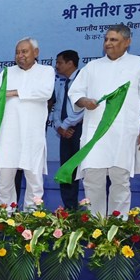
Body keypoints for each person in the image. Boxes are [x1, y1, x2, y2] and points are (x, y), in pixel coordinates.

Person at [68, 24, 140, 218]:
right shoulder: (93, 66)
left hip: (124, 132)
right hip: (95, 132)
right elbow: (75, 92)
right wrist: (85, 101)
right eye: (106, 39)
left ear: (127, 42)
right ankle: (96, 225)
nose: (108, 43)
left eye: (113, 40)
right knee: (92, 178)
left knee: (120, 180)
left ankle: (119, 225)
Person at [0, 38, 55, 210]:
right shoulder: (6, 73)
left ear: (36, 52)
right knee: (4, 180)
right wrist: (3, 96)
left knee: (34, 180)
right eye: (17, 52)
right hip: (8, 134)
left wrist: (12, 93)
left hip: (32, 135)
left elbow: (45, 92)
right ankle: (5, 217)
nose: (20, 55)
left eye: (24, 51)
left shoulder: (46, 71)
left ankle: (31, 220)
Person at [50, 50, 84, 210]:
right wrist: (59, 126)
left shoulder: (83, 80)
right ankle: (69, 208)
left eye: (59, 63)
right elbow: (57, 108)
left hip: (79, 131)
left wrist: (66, 125)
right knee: (66, 170)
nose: (56, 66)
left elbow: (83, 109)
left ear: (70, 63)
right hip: (65, 132)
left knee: (83, 170)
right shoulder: (62, 83)